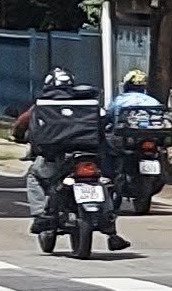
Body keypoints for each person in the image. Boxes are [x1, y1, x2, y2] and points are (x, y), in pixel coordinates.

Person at [14, 68, 107, 227]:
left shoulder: (42, 104)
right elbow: (105, 121)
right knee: (104, 180)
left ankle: (40, 214)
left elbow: (22, 124)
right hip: (89, 155)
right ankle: (109, 218)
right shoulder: (87, 103)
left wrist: (18, 135)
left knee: (34, 176)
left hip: (54, 158)